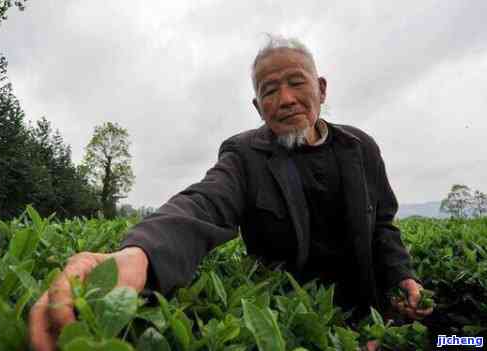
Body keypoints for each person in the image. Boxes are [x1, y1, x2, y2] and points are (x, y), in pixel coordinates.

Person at [29, 35, 433, 351]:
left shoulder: (360, 148)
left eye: (296, 82)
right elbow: (205, 203)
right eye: (270, 90)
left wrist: (403, 277)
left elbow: (382, 224)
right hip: (290, 324)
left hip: (371, 312)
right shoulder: (245, 154)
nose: (286, 99)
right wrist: (140, 255)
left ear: (321, 89)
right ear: (258, 106)